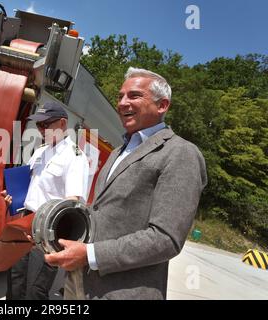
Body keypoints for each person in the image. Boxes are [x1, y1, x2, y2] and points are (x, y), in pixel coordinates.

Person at [44, 67, 208, 300]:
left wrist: (90, 254)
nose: (122, 103)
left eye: (134, 96)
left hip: (123, 292)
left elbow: (165, 238)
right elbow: (104, 212)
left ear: (162, 105)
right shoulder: (119, 151)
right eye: (120, 96)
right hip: (80, 283)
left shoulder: (181, 153)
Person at [2, 101, 90, 300]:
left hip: (45, 232)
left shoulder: (75, 156)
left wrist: (53, 240)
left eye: (45, 124)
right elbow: (29, 185)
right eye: (38, 125)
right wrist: (13, 198)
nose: (41, 129)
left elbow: (72, 203)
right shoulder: (40, 151)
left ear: (62, 123)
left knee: (35, 290)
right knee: (15, 282)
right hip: (24, 223)